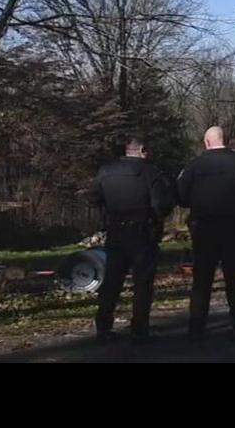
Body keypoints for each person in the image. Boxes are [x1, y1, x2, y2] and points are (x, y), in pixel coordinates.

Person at [177, 126, 235, 341]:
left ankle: (196, 328)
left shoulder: (194, 166)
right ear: (227, 141)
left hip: (204, 229)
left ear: (206, 142)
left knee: (201, 281)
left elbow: (180, 196)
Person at [90, 137, 174, 343]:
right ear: (143, 150)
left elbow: (94, 199)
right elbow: (161, 206)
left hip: (116, 232)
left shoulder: (105, 172)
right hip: (142, 233)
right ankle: (139, 327)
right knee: (142, 283)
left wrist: (107, 218)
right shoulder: (151, 173)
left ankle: (103, 326)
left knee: (111, 282)